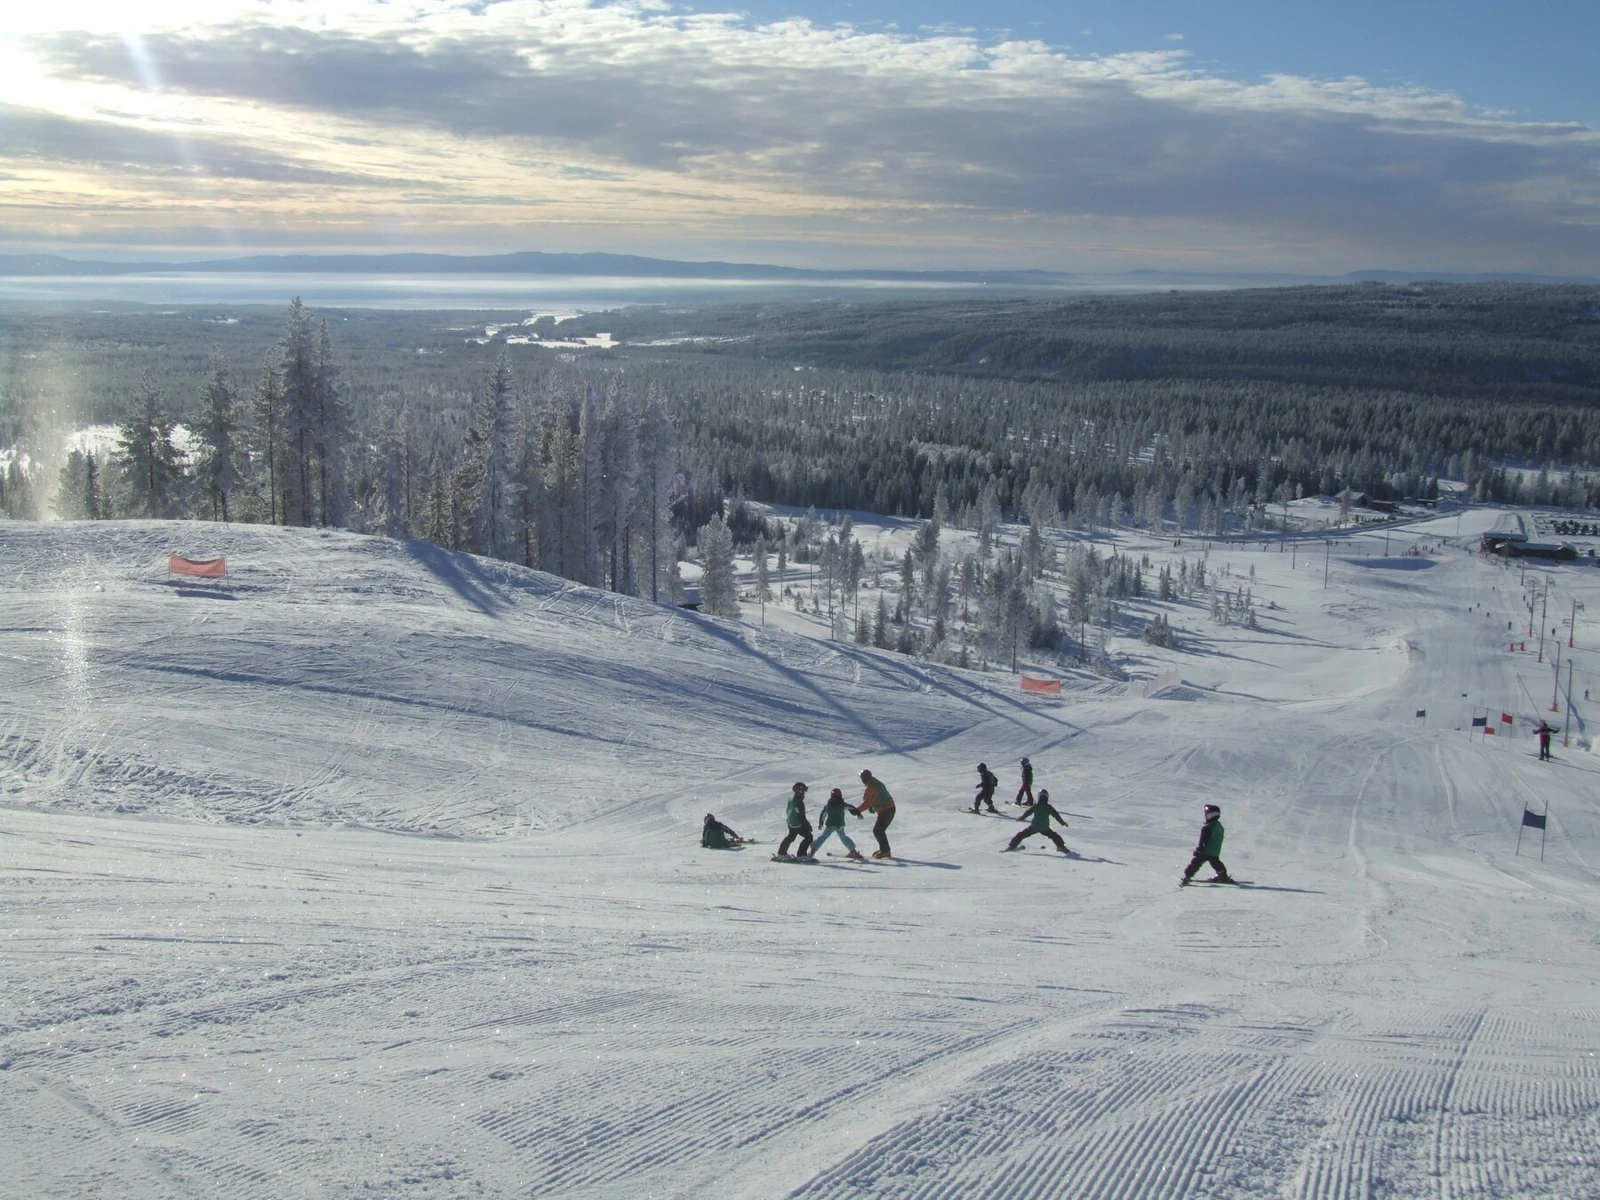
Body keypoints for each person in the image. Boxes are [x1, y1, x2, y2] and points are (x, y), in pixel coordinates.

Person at [1179, 804, 1232, 885]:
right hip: (1215, 852)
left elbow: (1203, 841)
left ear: (1209, 815)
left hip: (1205, 851)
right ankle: (1223, 876)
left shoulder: (1207, 828)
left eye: (1206, 814)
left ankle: (1187, 877)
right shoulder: (1219, 826)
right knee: (1216, 864)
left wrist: (1199, 850)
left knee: (1195, 863)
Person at [1006, 787, 1069, 853]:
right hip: (1045, 827)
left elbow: (1028, 812)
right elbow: (1056, 816)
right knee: (1054, 835)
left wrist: (1021, 818)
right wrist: (1062, 823)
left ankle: (1012, 846)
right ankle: (1061, 847)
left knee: (1021, 834)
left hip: (1034, 827)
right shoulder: (1049, 807)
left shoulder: (1036, 806)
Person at [812, 787, 864, 859]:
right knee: (844, 838)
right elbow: (852, 808)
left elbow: (823, 815)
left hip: (830, 825)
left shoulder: (828, 805)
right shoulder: (842, 804)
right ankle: (853, 852)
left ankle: (812, 851)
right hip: (840, 825)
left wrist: (821, 823)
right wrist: (858, 814)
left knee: (823, 838)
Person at [858, 768, 896, 859]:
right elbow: (876, 797)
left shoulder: (870, 787)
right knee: (879, 830)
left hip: (886, 810)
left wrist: (857, 810)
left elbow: (867, 802)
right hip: (889, 808)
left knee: (878, 830)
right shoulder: (876, 782)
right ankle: (884, 849)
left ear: (864, 779)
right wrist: (873, 806)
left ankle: (885, 851)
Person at [776, 782, 814, 860]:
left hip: (791, 822)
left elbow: (788, 810)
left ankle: (781, 853)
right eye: (801, 791)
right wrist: (807, 825)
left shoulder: (791, 798)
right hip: (797, 824)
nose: (803, 793)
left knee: (791, 837)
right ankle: (801, 855)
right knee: (809, 837)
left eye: (804, 791)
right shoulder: (799, 802)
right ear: (796, 791)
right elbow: (801, 816)